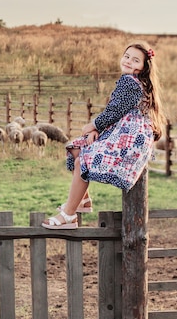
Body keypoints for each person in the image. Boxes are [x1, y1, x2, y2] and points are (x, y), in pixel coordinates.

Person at [43, 41, 166, 229]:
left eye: (135, 60)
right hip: (122, 134)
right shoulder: (137, 83)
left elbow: (114, 111)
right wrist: (97, 130)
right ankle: (82, 201)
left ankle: (69, 215)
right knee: (77, 148)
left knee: (82, 160)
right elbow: (117, 111)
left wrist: (92, 125)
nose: (128, 62)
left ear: (143, 67)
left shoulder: (129, 82)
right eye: (126, 56)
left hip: (128, 140)